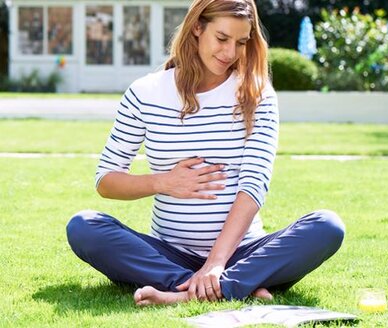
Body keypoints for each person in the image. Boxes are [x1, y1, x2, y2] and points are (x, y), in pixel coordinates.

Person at [66, 0, 345, 306]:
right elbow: (106, 180)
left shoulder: (257, 93)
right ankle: (229, 285)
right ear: (197, 27)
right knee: (84, 227)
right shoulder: (145, 94)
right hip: (169, 252)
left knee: (327, 226)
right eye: (222, 38)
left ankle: (189, 291)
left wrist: (215, 263)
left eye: (241, 43)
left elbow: (253, 186)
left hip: (241, 252)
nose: (230, 53)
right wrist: (164, 182)